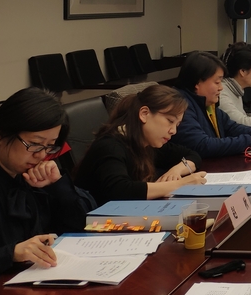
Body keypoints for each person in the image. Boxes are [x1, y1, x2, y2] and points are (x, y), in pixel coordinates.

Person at [0, 88, 94, 295]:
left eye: (49, 146)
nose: (41, 155)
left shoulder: (32, 177)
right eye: (34, 144)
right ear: (1, 135)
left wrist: (58, 186)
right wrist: (11, 253)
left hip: (42, 288)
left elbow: (83, 226)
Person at [74, 85, 206, 206]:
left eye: (177, 125)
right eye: (170, 121)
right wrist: (180, 184)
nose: (174, 131)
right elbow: (120, 190)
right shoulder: (110, 146)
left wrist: (176, 170)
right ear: (144, 114)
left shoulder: (148, 142)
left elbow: (192, 155)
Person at [173, 52, 251, 158]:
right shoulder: (180, 105)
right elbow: (202, 145)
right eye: (217, 82)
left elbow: (231, 127)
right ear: (197, 82)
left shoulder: (207, 103)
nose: (221, 88)